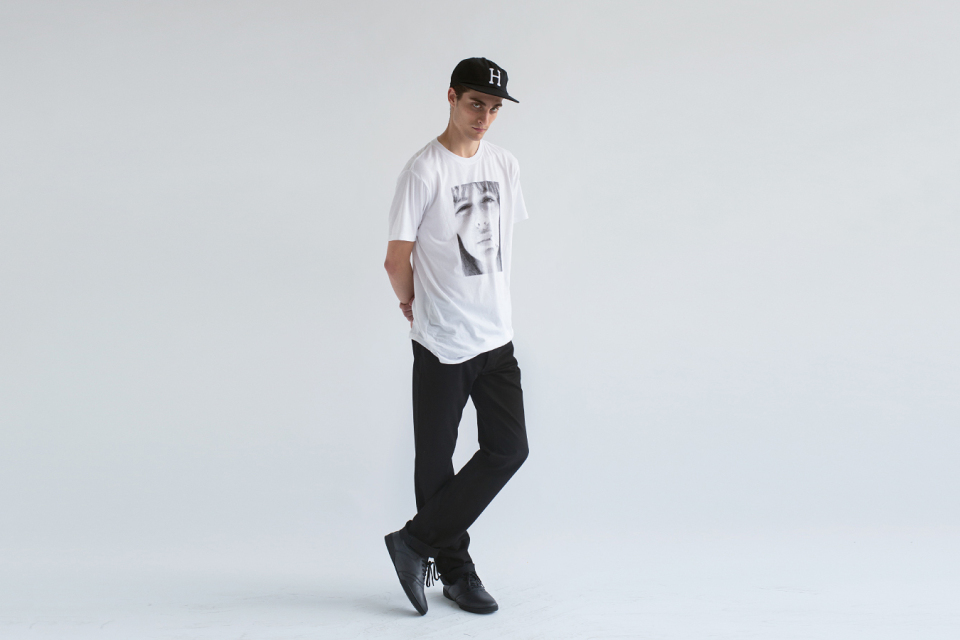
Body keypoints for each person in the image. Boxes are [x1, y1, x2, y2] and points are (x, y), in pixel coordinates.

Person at [383, 57, 529, 616]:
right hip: (442, 339)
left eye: (493, 108)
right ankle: (457, 572)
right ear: (451, 97)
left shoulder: (505, 164)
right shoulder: (423, 171)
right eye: (474, 104)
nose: (483, 117)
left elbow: (496, 247)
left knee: (508, 449)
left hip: (496, 336)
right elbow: (397, 257)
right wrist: (410, 302)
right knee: (435, 460)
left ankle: (414, 541)